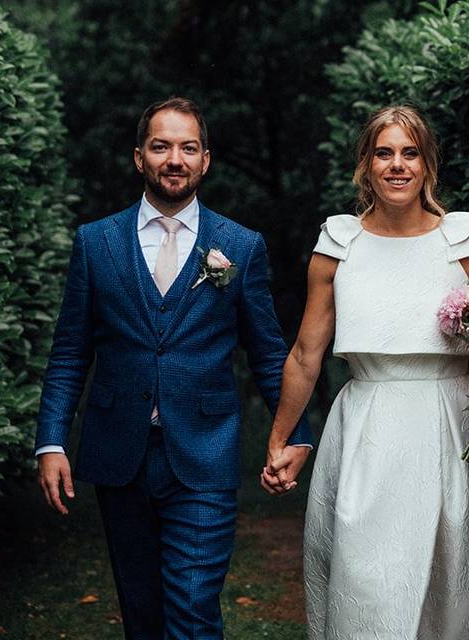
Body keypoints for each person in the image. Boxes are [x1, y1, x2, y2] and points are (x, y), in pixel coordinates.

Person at [34, 97, 312, 640]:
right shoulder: (95, 243)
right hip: (119, 455)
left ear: (206, 160)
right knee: (143, 615)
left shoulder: (239, 246)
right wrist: (50, 442)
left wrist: (293, 434)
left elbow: (268, 354)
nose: (175, 159)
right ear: (140, 157)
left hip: (205, 453)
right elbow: (70, 351)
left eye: (188, 147)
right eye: (161, 146)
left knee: (191, 609)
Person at [262, 105, 469, 639]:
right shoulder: (338, 245)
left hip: (451, 422)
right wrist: (279, 440)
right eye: (384, 153)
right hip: (367, 423)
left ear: (428, 165)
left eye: (410, 153)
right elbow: (304, 355)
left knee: (456, 569)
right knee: (368, 573)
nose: (397, 165)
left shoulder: (463, 242)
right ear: (365, 165)